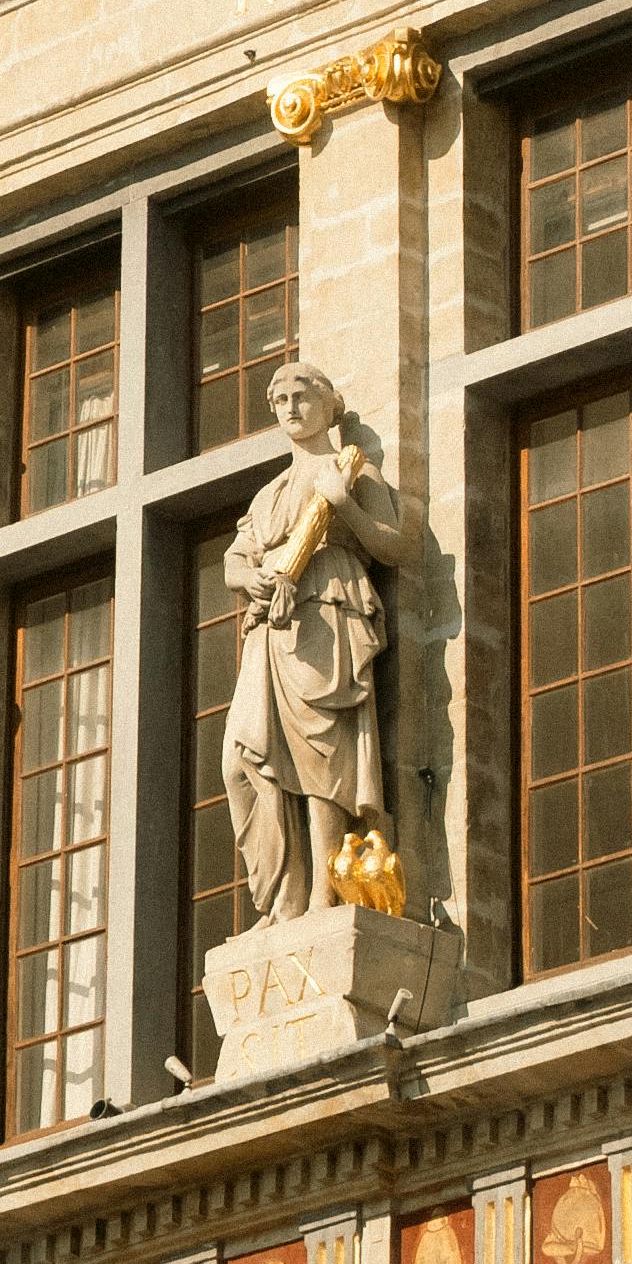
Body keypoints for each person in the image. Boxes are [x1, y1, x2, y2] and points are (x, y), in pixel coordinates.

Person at [218, 365, 406, 916]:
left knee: (324, 758)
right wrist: (245, 577)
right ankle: (282, 897)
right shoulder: (269, 492)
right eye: (279, 400)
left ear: (330, 404)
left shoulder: (351, 470)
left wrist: (343, 504)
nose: (289, 408)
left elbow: (394, 546)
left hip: (327, 608)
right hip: (271, 627)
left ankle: (326, 894)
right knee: (241, 760)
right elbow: (236, 556)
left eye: (302, 396)